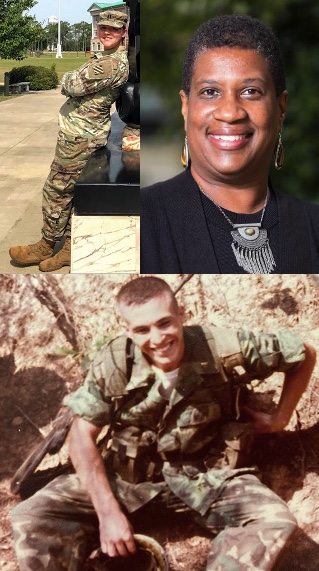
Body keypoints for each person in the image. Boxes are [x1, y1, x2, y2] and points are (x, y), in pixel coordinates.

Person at [11, 275, 317, 570]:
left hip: (208, 478)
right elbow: (81, 436)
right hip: (129, 482)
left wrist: (280, 418)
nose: (157, 339)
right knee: (32, 516)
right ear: (127, 330)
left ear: (182, 314)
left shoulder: (223, 347)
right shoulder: (115, 363)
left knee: (274, 521)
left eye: (164, 323)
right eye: (142, 329)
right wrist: (108, 514)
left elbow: (302, 353)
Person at [140, 14, 319, 273]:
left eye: (250, 92)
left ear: (280, 109)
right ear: (186, 107)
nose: (230, 112)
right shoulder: (140, 222)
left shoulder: (313, 227)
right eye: (210, 92)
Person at [9, 10, 129, 272]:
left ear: (123, 33)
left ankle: (54, 245)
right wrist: (72, 78)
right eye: (103, 27)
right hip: (78, 133)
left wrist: (68, 79)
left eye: (114, 29)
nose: (106, 32)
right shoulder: (104, 58)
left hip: (81, 137)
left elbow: (71, 85)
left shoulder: (110, 64)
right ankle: (58, 244)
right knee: (67, 191)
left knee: (57, 190)